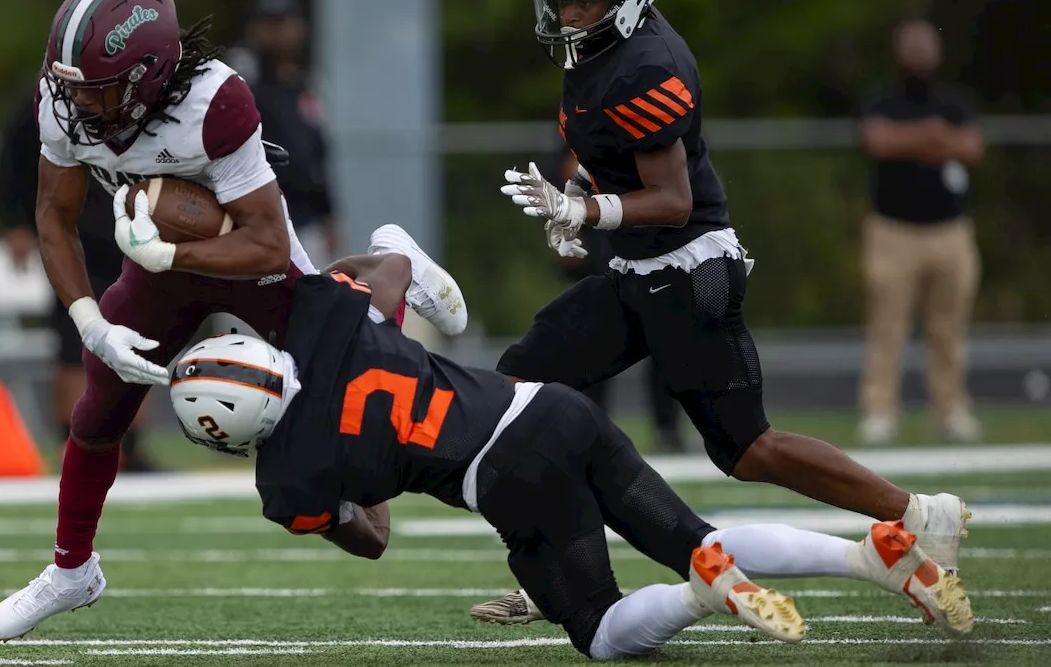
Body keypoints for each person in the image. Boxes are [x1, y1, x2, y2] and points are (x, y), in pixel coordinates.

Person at [171, 232, 973, 660]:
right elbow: (385, 265)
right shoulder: (324, 321)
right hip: (550, 410)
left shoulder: (286, 484)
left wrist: (351, 473)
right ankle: (873, 556)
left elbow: (372, 540)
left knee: (596, 630)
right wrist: (386, 276)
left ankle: (698, 598)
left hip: (510, 480)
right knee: (693, 536)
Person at [473, 0, 970, 623]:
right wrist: (577, 194)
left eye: (582, 1)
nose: (567, 15)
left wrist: (588, 212)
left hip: (687, 272)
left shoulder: (647, 65)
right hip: (638, 269)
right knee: (524, 387)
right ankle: (567, 569)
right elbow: (612, 154)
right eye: (559, 2)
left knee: (747, 448)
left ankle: (917, 513)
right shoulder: (600, 48)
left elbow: (673, 199)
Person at [0, 0, 466, 641]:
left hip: (243, 258)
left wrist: (171, 256)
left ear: (147, 75)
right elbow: (54, 221)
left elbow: (265, 245)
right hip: (159, 267)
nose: (77, 101)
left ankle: (394, 264)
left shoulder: (215, 101)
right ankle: (71, 569)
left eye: (95, 86)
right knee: (98, 410)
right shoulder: (61, 102)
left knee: (371, 531)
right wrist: (91, 324)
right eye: (71, 84)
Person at [0, 93, 158, 472]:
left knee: (145, 338)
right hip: (76, 236)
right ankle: (73, 443)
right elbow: (12, 161)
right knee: (75, 344)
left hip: (135, 234)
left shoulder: (146, 94)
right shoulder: (50, 99)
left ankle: (130, 448)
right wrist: (14, 222)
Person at [857, 19, 985, 445]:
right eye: (910, 47)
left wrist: (915, 140)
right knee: (887, 326)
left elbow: (971, 148)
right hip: (892, 231)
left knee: (948, 328)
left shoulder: (953, 102)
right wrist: (931, 136)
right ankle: (880, 412)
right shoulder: (882, 101)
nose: (918, 55)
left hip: (950, 231)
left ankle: (950, 410)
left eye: (925, 47)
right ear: (897, 52)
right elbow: (878, 142)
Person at [555, 152, 685, 454]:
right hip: (608, 257)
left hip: (661, 251)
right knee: (596, 346)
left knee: (666, 348)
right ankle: (591, 428)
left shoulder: (660, 123)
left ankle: (668, 430)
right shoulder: (586, 121)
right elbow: (568, 170)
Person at [227, 0, 338, 265]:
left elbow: (318, 153)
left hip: (305, 218)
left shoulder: (306, 84)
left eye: (286, 22)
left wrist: (330, 214)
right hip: (253, 217)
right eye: (271, 23)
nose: (280, 32)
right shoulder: (243, 77)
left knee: (316, 298)